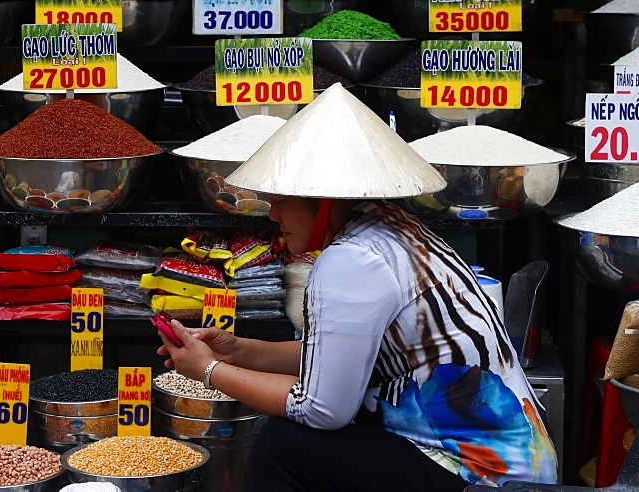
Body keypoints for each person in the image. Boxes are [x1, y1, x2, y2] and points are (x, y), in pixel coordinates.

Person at [158, 83, 557, 491]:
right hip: (505, 465)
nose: (271, 211)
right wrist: (239, 350)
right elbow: (337, 358)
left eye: (280, 198)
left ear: (324, 200)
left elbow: (320, 409)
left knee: (282, 445)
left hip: (480, 476)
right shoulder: (391, 229)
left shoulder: (351, 260)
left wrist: (208, 371)